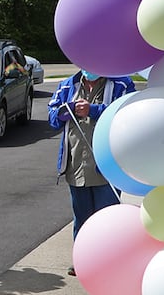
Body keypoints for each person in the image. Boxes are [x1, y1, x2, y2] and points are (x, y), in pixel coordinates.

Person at [48, 69, 135, 275]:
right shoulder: (68, 84)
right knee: (82, 218)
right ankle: (83, 261)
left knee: (108, 219)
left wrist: (93, 110)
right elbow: (52, 118)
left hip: (107, 167)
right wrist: (64, 110)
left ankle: (110, 263)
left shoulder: (121, 84)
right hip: (76, 164)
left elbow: (127, 114)